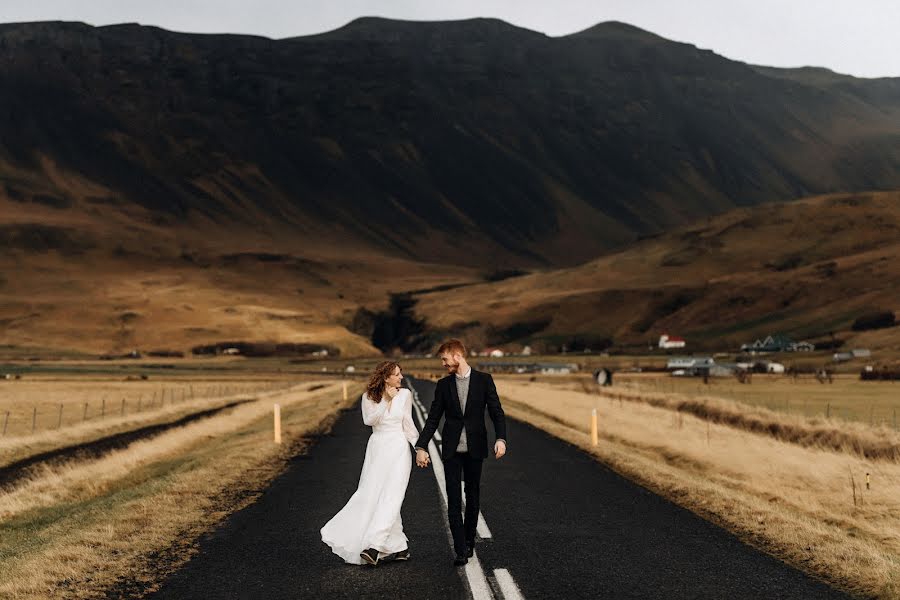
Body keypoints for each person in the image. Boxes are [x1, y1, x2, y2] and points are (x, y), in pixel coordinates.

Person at [415, 339, 507, 566]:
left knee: (473, 497)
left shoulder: (484, 381)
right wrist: (421, 445)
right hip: (451, 451)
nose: (444, 364)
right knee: (454, 499)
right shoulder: (443, 385)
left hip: (476, 448)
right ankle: (460, 549)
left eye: (445, 359)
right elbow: (434, 418)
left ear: (457, 356)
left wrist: (501, 439)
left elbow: (497, 411)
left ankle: (468, 541)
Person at [321, 361, 420, 566]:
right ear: (386, 378)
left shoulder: (405, 395)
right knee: (372, 494)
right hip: (377, 449)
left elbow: (408, 425)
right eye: (397, 375)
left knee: (392, 496)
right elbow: (369, 420)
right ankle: (400, 547)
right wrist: (386, 401)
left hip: (399, 449)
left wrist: (420, 448)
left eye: (401, 374)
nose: (401, 377)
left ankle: (374, 547)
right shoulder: (369, 397)